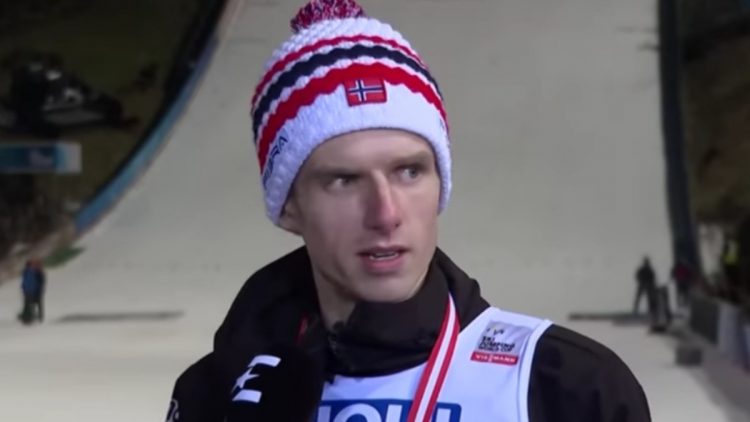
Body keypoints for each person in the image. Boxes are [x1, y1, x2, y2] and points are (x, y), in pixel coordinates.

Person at [167, 1, 651, 420]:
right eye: (344, 180)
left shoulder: (568, 387)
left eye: (409, 171)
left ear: (440, 184)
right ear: (289, 207)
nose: (385, 214)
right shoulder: (215, 396)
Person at [19, 258, 45, 324]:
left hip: (34, 290)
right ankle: (28, 317)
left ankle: (35, 316)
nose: (33, 266)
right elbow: (25, 281)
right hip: (28, 290)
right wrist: (23, 287)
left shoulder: (37, 272)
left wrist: (38, 289)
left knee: (35, 303)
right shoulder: (27, 272)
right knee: (28, 304)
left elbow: (40, 283)